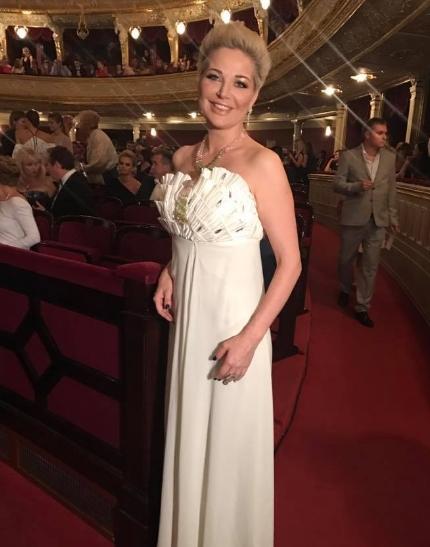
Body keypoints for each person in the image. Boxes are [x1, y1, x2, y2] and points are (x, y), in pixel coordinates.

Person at [153, 21, 301, 547]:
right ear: (199, 81)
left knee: (226, 446)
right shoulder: (182, 159)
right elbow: (189, 231)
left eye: (240, 83)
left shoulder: (263, 163)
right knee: (188, 432)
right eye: (215, 77)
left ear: (254, 96)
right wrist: (171, 269)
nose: (224, 93)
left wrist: (249, 339)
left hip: (235, 326)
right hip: (189, 324)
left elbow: (290, 264)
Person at [334, 117, 399, 327]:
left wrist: (393, 217)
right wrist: (356, 186)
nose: (384, 137)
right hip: (354, 216)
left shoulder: (389, 158)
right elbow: (337, 184)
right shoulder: (349, 156)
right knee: (346, 260)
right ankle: (345, 288)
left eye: (385, 133)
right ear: (367, 134)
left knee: (370, 266)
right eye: (380, 133)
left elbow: (391, 190)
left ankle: (362, 307)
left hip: (378, 219)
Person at [42, 146, 94, 218]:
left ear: (57, 165)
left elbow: (69, 215)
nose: (46, 169)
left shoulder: (75, 184)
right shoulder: (69, 180)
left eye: (47, 165)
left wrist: (46, 213)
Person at [0, 156, 40, 249]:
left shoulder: (17, 203)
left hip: (12, 254)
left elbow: (34, 237)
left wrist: (5, 248)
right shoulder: (3, 199)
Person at [77, 110, 118, 185]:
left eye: (81, 122)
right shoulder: (94, 136)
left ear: (87, 124)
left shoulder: (98, 137)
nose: (79, 126)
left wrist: (82, 168)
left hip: (107, 178)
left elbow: (99, 162)